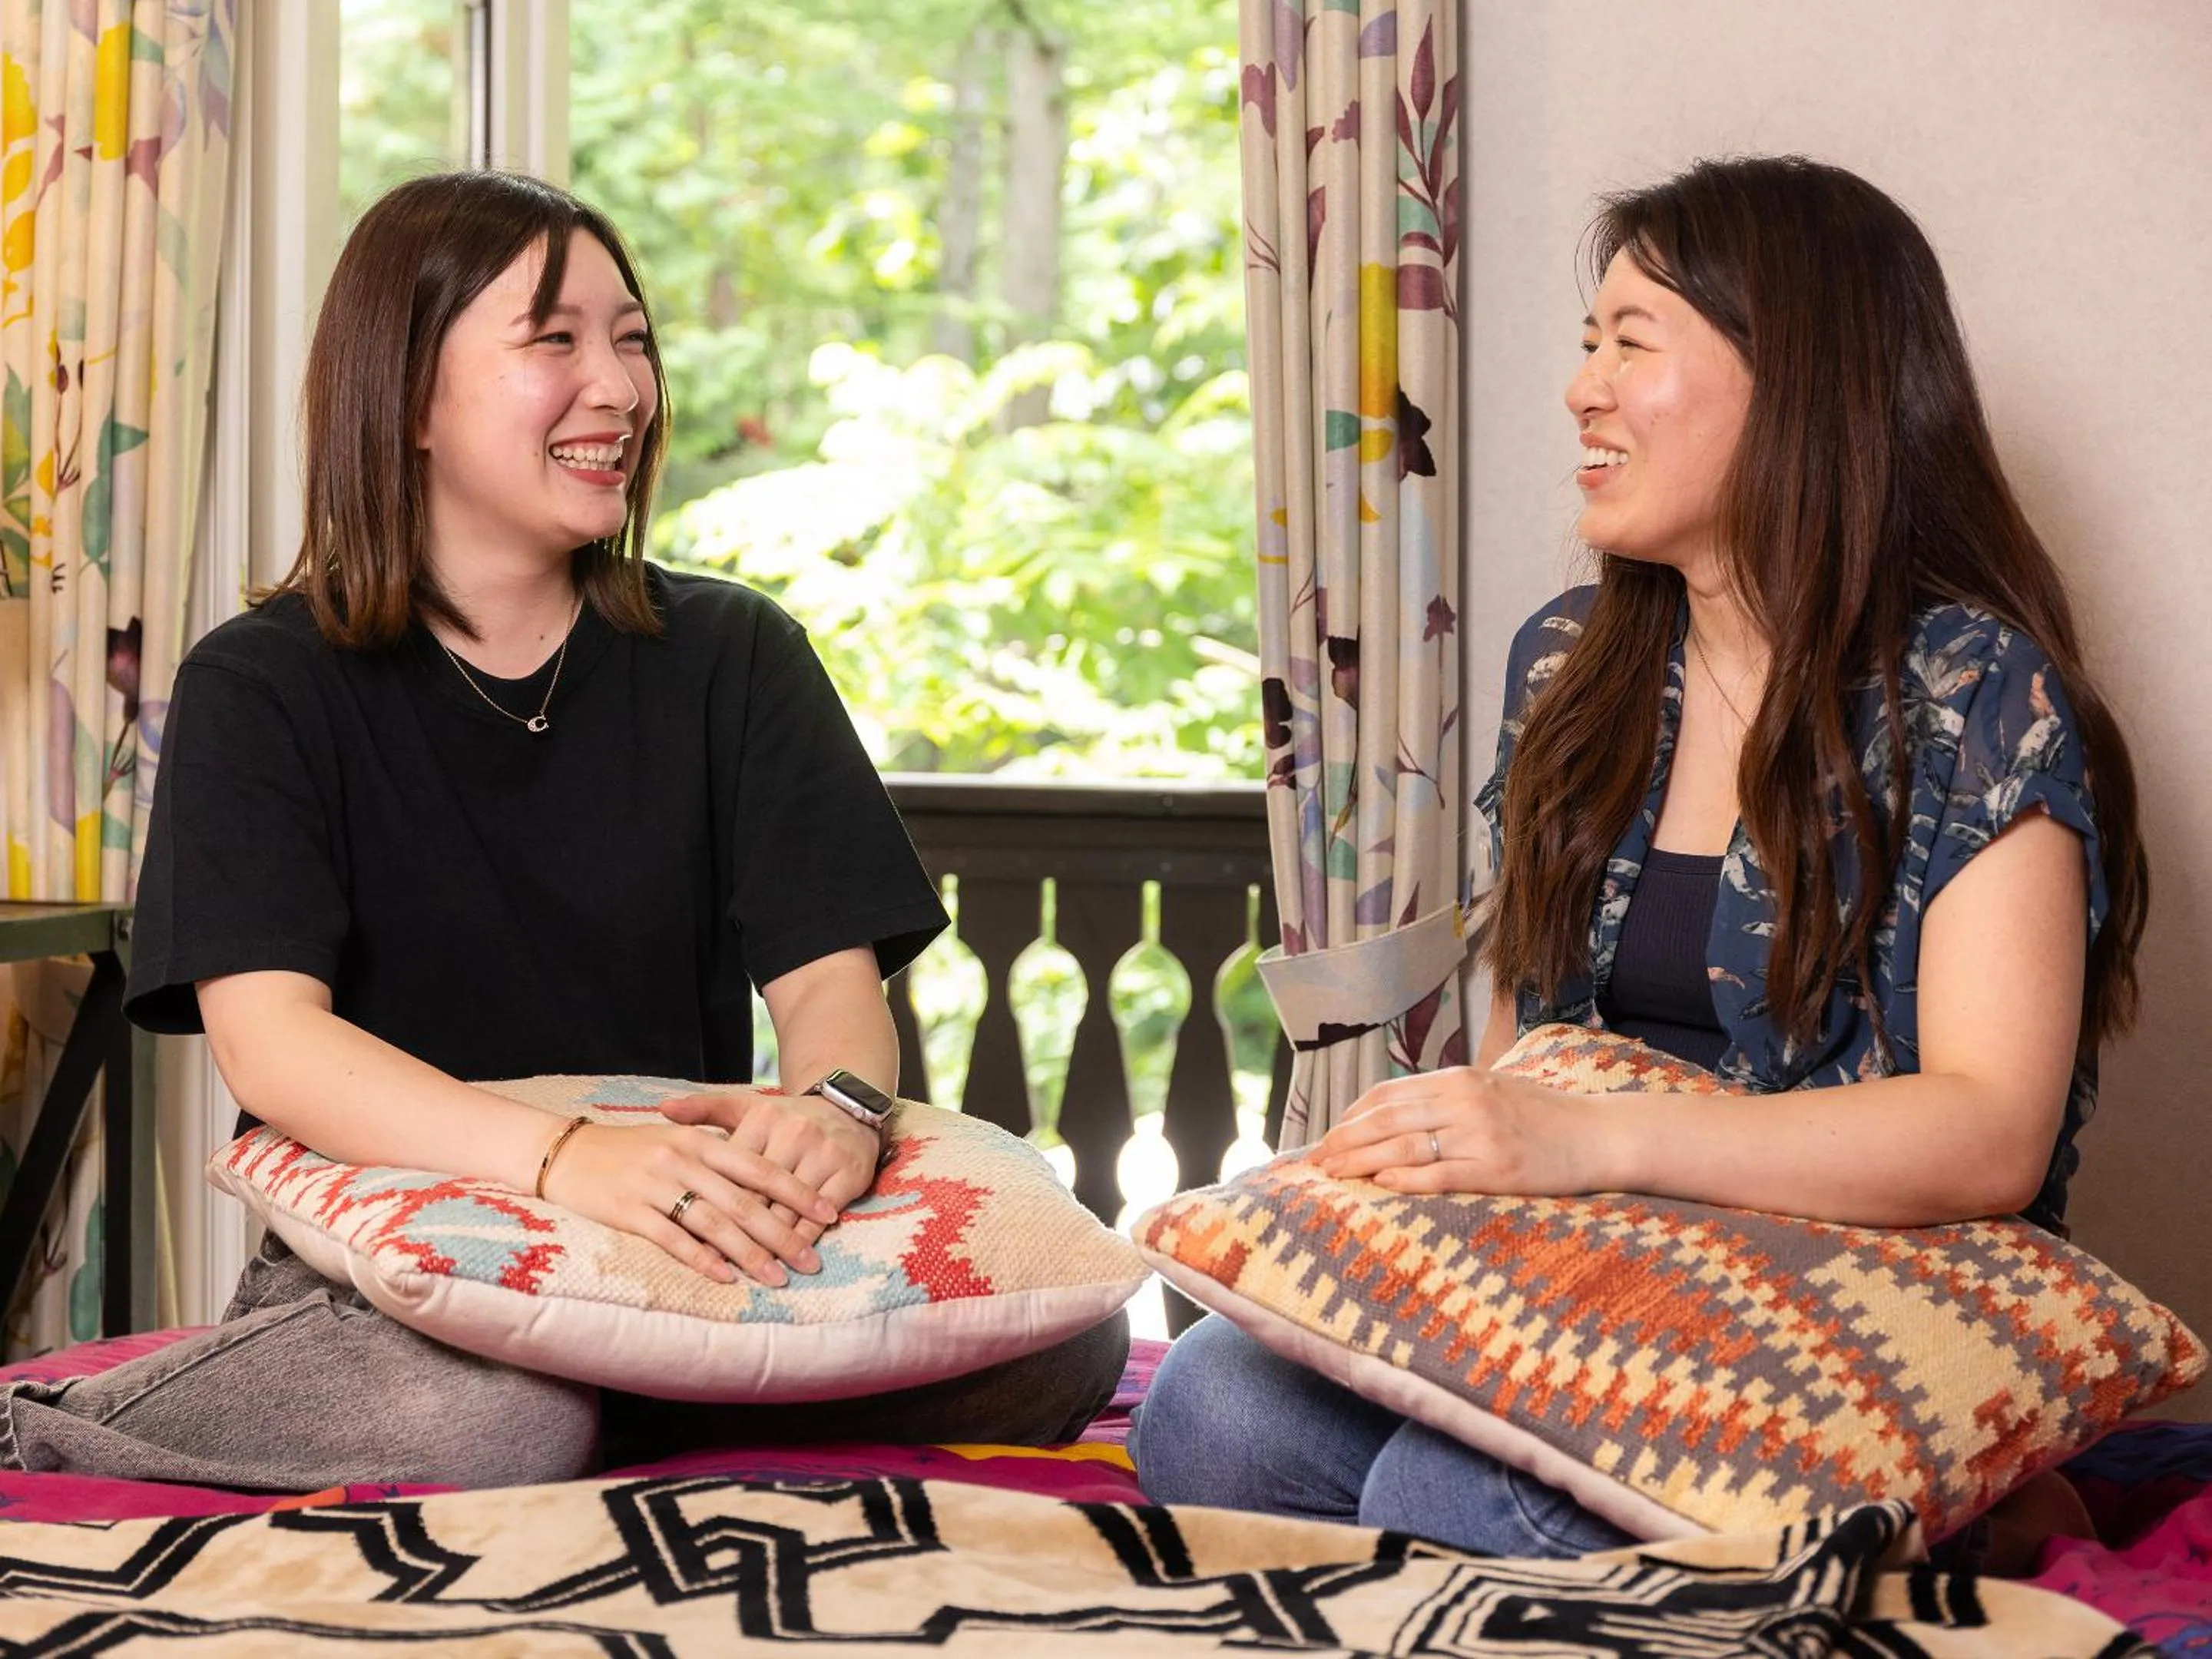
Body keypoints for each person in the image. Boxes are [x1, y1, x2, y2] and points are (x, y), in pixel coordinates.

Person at [0, 171, 1127, 1490]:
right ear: (411, 395)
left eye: (632, 339)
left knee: (1070, 1345)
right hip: (394, 1267)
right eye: (555, 340)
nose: (620, 388)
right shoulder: (264, 683)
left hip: (671, 1232)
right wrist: (567, 1163)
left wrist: (836, 1109)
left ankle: (627, 1401)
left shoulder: (736, 653)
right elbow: (276, 1046)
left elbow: (832, 982)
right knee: (493, 1423)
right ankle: (42, 1426)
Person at [1131, 155, 2147, 1557]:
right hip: (1598, 1281)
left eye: (1631, 343)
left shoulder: (1980, 695)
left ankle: (1964, 1490)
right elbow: (1526, 1053)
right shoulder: (1571, 666)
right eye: (1586, 342)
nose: (1582, 390)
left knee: (1455, 1497)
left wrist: (1588, 1137)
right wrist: (1458, 1158)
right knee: (1209, 1411)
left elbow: (1989, 1131)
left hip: (1848, 1294)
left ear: (1794, 378)